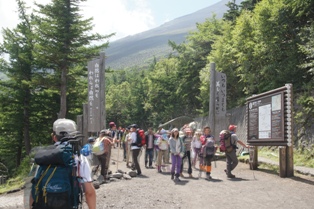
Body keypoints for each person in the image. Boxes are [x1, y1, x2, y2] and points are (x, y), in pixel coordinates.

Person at [29, 118, 96, 209]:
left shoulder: (44, 157)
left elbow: (34, 190)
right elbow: (89, 192)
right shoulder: (79, 158)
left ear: (54, 137)